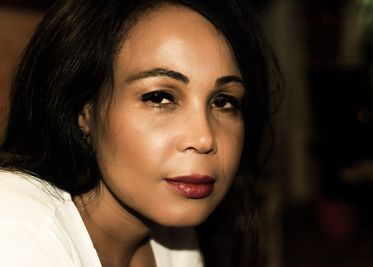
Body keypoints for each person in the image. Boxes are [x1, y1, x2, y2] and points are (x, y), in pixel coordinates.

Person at [0, 0, 277, 266]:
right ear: (83, 112)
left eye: (223, 102)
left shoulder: (171, 232)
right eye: (159, 97)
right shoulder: (15, 228)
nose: (204, 138)